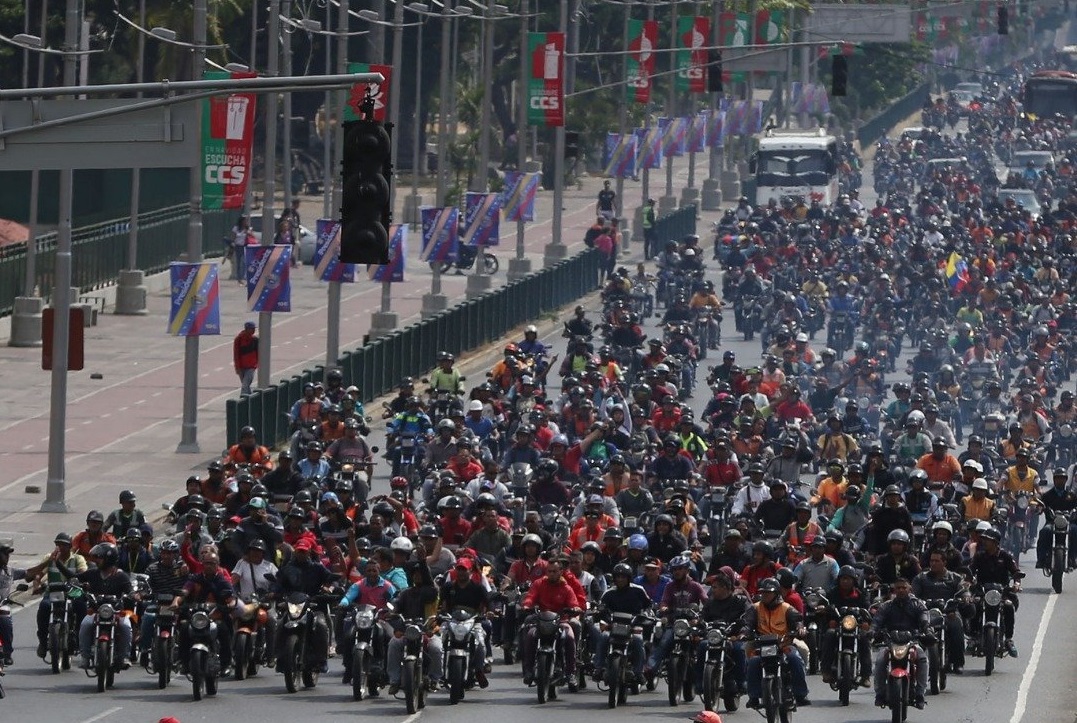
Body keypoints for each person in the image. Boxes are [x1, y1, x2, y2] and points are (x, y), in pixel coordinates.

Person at [58, 542, 133, 670]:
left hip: (116, 612)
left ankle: (124, 656)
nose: (96, 560)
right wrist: (58, 563)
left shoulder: (121, 576)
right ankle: (85, 657)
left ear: (109, 558)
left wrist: (133, 595)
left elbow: (130, 591)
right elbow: (74, 578)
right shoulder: (92, 573)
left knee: (126, 626)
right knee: (85, 625)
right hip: (95, 611)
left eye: (99, 557)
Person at [741, 577, 811, 709]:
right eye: (763, 592)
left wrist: (799, 629)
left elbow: (797, 621)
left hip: (783, 644)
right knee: (753, 662)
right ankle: (753, 696)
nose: (765, 595)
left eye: (769, 592)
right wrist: (745, 632)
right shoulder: (755, 608)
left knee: (794, 658)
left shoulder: (787, 608)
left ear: (776, 593)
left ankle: (801, 694)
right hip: (761, 645)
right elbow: (747, 624)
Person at [172, 547, 237, 676]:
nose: (209, 566)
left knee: (224, 630)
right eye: (206, 563)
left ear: (217, 565)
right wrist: (176, 601)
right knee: (184, 627)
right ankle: (183, 662)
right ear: (202, 564)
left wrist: (230, 605)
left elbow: (232, 597)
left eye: (212, 563)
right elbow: (185, 591)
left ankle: (226, 664)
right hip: (197, 616)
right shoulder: (195, 579)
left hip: (216, 616)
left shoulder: (222, 581)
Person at [869, 577, 928, 709]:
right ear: (894, 590)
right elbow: (877, 621)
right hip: (890, 643)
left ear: (909, 589)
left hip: (912, 642)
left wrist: (927, 630)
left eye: (904, 587)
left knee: (923, 659)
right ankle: (880, 694)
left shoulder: (918, 604)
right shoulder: (886, 606)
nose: (901, 590)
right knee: (879, 662)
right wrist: (872, 631)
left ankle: (920, 694)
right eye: (898, 588)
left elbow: (924, 618)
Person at [645, 555, 708, 677]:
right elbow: (665, 601)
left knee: (702, 645)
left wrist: (703, 613)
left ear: (687, 570)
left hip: (691, 624)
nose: (677, 572)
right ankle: (650, 668)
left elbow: (706, 601)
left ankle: (702, 675)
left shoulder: (695, 586)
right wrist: (663, 607)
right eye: (674, 569)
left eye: (680, 568)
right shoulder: (670, 586)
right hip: (674, 622)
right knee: (663, 642)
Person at [592, 563, 651, 683]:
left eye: (623, 577)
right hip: (613, 625)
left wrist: (645, 614)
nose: (620, 579)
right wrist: (600, 613)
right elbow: (601, 607)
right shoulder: (609, 593)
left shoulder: (638, 590)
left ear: (629, 578)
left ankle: (639, 672)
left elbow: (648, 606)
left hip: (633, 625)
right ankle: (599, 668)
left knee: (638, 640)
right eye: (618, 576)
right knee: (603, 637)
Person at [968, 526, 1022, 657]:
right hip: (982, 590)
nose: (985, 542)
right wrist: (968, 581)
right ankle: (974, 637)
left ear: (996, 542)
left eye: (989, 540)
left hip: (1002, 592)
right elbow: (970, 572)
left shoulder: (1006, 556)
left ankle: (1008, 639)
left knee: (1008, 606)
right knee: (975, 604)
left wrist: (1016, 584)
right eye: (984, 539)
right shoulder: (979, 556)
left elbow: (1016, 573)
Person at [911, 550, 967, 674]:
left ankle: (957, 662)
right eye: (931, 561)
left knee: (956, 624)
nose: (933, 563)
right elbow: (914, 594)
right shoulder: (921, 578)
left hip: (948, 612)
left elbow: (963, 590)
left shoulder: (955, 578)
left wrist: (965, 596)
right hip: (926, 612)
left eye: (937, 561)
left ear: (944, 562)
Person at [1036, 468, 1077, 569]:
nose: (1060, 480)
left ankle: (1073, 557)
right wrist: (1039, 507)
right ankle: (1041, 559)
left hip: (1068, 523)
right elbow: (1040, 504)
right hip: (1052, 523)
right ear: (1054, 480)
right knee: (1044, 531)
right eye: (1058, 478)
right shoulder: (1047, 495)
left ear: (1066, 480)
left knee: (1075, 530)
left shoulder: (1071, 495)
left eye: (1062, 478)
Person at [0, 540, 25, 665]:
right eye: (5, 554)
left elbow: (29, 573)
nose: (7, 557)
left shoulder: (10, 571)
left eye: (8, 554)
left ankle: (7, 652)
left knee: (5, 617)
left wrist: (48, 563)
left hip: (2, 606)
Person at [233, 321, 259, 397]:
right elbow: (236, 354)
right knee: (246, 386)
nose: (254, 330)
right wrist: (237, 367)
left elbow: (259, 353)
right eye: (252, 329)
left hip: (251, 366)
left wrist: (257, 364)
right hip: (241, 367)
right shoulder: (239, 339)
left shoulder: (255, 340)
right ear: (247, 329)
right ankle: (250, 401)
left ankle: (242, 401)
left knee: (245, 385)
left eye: (254, 329)